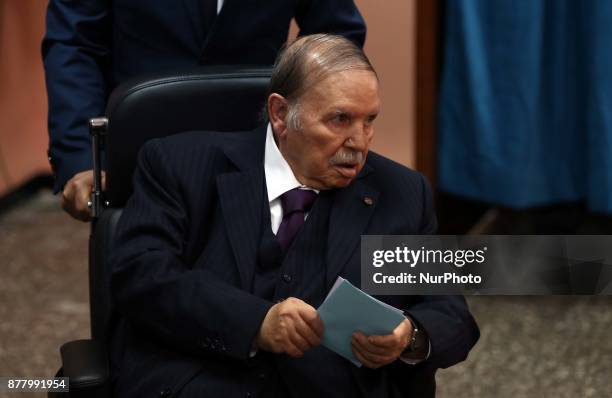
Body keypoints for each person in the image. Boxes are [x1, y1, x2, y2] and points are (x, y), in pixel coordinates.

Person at [110, 34, 479, 398]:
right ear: (281, 114)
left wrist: (410, 335)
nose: (360, 142)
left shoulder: (401, 193)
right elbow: (141, 276)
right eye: (339, 119)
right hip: (202, 379)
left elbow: (450, 312)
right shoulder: (181, 165)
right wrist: (256, 321)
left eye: (369, 120)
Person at [42, 0, 366, 222]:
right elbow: (74, 44)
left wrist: (312, 136)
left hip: (258, 148)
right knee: (143, 295)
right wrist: (82, 158)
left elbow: (334, 40)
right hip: (140, 156)